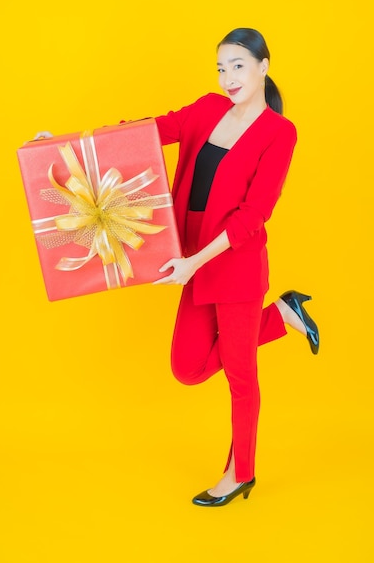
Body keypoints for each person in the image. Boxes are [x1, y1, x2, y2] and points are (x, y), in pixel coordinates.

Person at [33, 27, 319, 507]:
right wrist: (59, 146)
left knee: (241, 379)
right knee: (187, 368)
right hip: (189, 260)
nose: (228, 77)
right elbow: (141, 134)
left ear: (264, 66)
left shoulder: (279, 132)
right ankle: (284, 316)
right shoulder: (207, 109)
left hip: (233, 267)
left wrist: (193, 263)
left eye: (239, 66)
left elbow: (254, 215)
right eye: (221, 67)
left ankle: (240, 473)